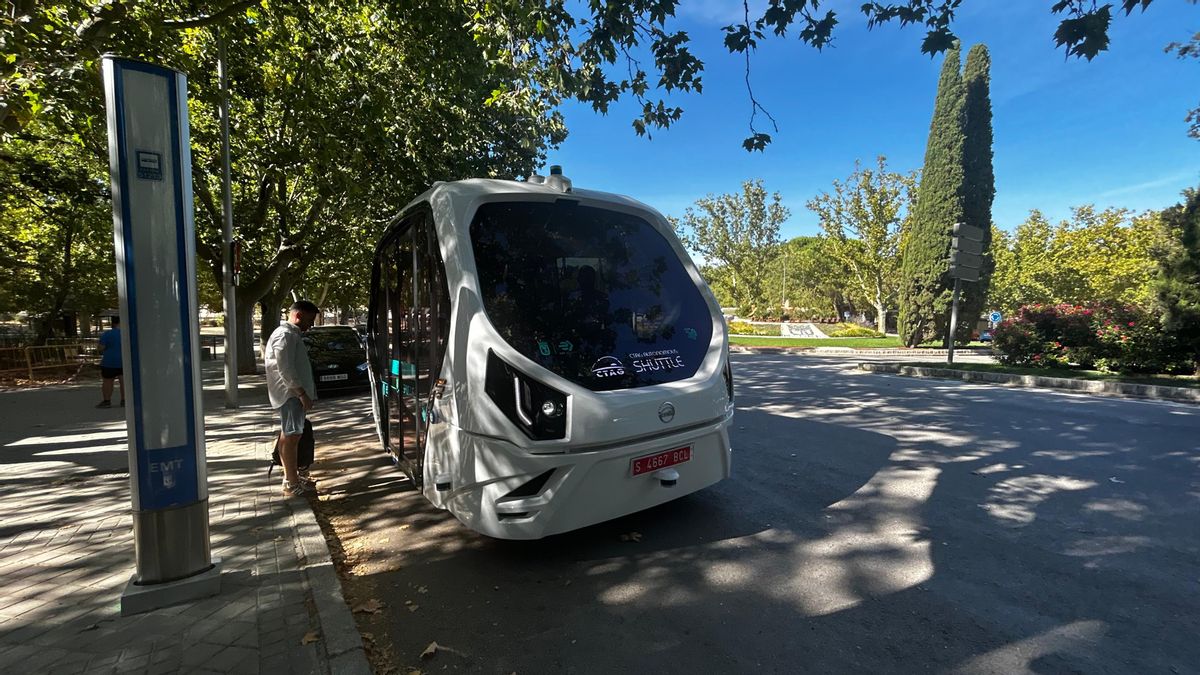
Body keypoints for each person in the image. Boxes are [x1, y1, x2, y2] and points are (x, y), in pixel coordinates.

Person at [265, 300, 319, 496]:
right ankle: (291, 483)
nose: (311, 325)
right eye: (309, 320)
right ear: (298, 316)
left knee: (288, 435)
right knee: (292, 437)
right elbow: (285, 369)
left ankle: (291, 478)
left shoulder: (289, 335)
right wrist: (302, 394)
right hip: (291, 395)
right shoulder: (285, 335)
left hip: (291, 394)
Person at [96, 317, 124, 408]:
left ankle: (107, 401)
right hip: (125, 361)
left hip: (109, 361)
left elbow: (101, 347)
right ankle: (124, 400)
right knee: (124, 381)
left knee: (108, 381)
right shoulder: (127, 333)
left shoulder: (107, 334)